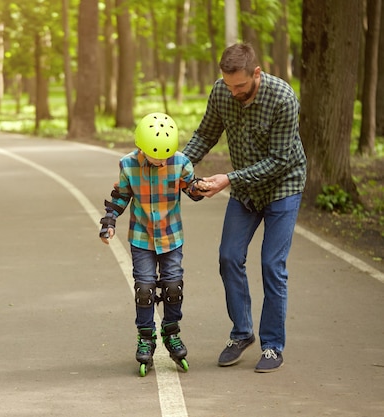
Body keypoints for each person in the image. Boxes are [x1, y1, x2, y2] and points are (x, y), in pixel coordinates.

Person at [182, 43, 307, 373]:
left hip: (283, 186)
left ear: (256, 73)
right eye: (227, 83)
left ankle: (271, 345)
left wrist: (228, 179)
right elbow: (205, 134)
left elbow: (280, 161)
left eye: (239, 85)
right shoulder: (222, 92)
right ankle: (241, 333)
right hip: (245, 189)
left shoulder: (282, 98)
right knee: (228, 256)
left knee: (272, 264)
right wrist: (177, 167)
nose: (233, 91)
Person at [99, 112, 203, 375]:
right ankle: (146, 336)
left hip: (172, 237)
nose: (161, 161)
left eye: (165, 156)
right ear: (141, 146)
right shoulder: (128, 165)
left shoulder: (180, 162)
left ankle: (171, 332)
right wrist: (109, 221)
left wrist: (198, 188)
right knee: (144, 288)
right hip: (142, 238)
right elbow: (121, 196)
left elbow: (191, 188)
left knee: (173, 285)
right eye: (156, 156)